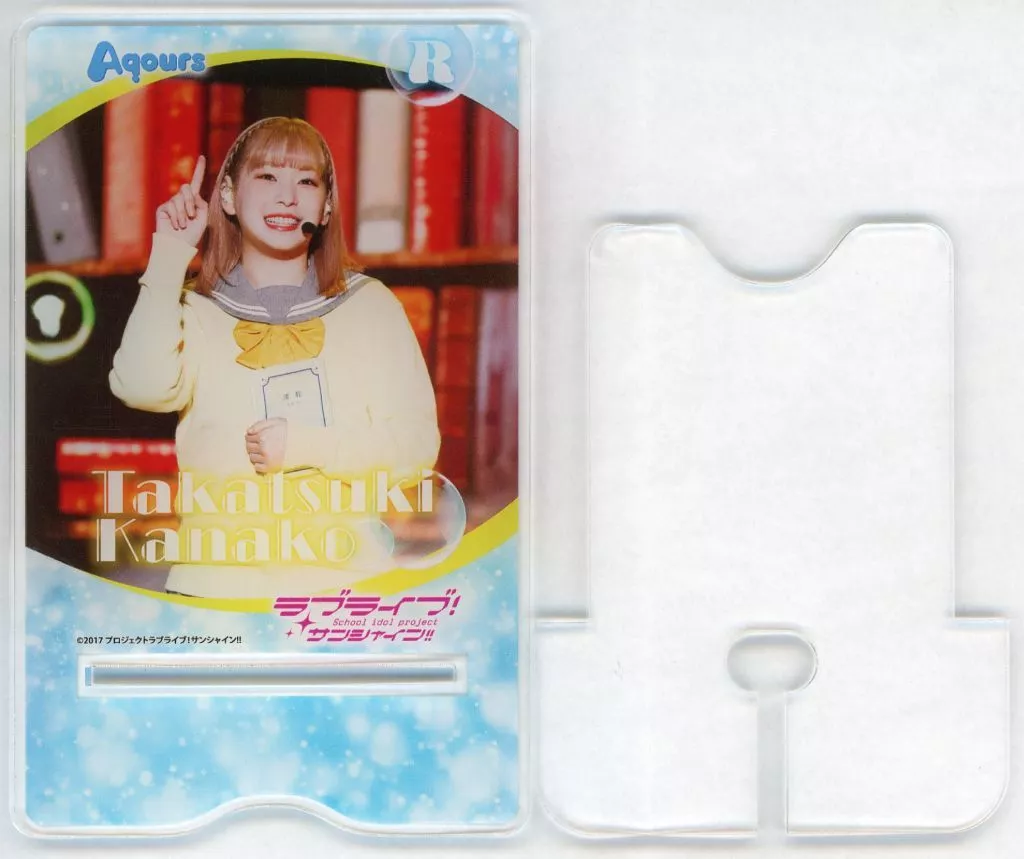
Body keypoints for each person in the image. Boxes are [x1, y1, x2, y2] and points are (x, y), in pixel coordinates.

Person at [109, 117, 440, 598]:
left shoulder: (371, 306)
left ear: (326, 206)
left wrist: (307, 446)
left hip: (342, 591)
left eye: (306, 181)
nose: (287, 197)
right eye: (266, 176)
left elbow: (416, 448)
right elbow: (141, 388)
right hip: (214, 595)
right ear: (227, 196)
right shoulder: (195, 308)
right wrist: (169, 255)